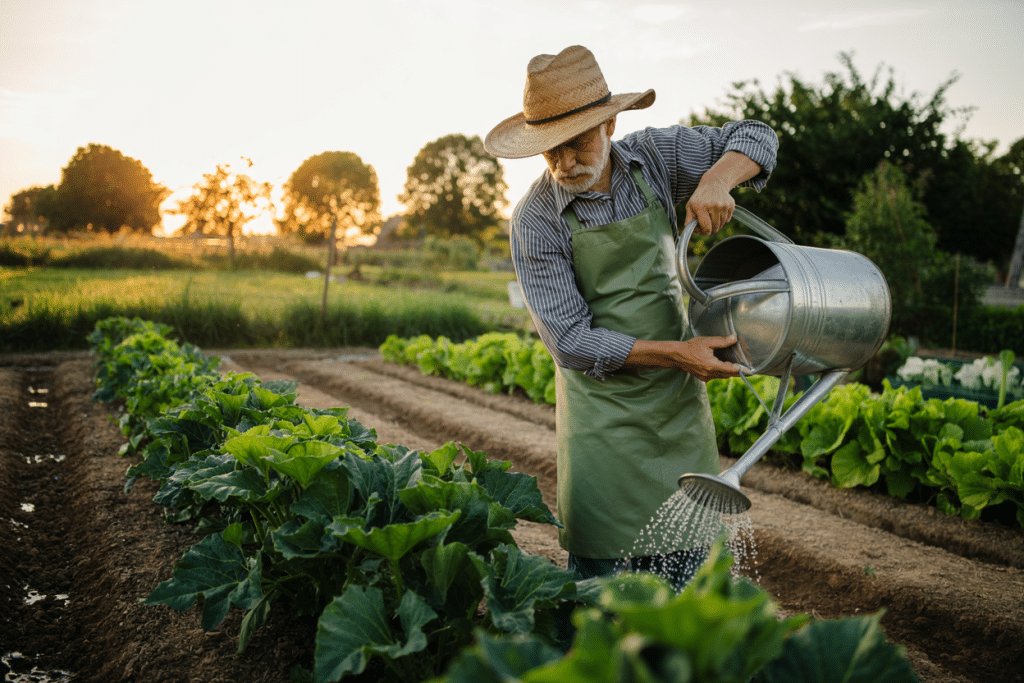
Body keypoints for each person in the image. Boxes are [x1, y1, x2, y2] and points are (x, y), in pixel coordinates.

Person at [484, 45, 779, 586]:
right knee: (606, 596)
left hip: (677, 409)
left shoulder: (657, 159)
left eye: (575, 144)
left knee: (693, 589)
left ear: (610, 123)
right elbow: (570, 340)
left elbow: (758, 135)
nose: (565, 163)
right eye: (550, 151)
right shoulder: (536, 220)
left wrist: (716, 181)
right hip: (603, 421)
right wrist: (677, 354)